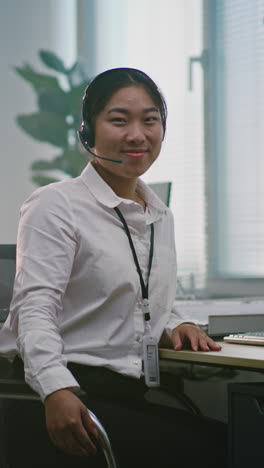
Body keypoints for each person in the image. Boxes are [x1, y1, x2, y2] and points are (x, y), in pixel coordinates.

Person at [0, 68, 227, 468]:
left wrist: (175, 324)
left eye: (150, 120)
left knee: (231, 438)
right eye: (119, 120)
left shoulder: (158, 213)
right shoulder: (55, 205)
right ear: (88, 132)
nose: (137, 134)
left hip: (127, 394)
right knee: (229, 444)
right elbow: (34, 310)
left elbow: (133, 293)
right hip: (69, 395)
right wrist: (56, 390)